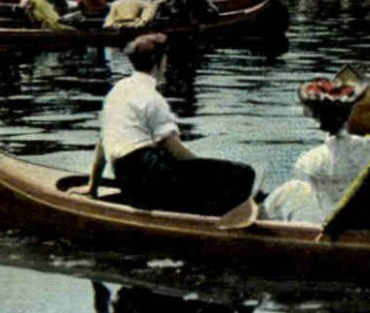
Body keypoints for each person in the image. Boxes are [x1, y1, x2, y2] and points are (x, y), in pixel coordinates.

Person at [86, 33, 256, 214]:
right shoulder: (152, 98)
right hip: (150, 175)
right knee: (244, 173)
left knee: (186, 171)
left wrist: (92, 187)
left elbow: (102, 143)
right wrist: (204, 172)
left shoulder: (117, 90)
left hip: (126, 179)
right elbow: (174, 150)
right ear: (160, 62)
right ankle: (222, 219)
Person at [260, 82, 370, 223]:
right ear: (350, 112)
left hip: (327, 219)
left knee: (289, 191)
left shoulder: (309, 160)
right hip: (369, 218)